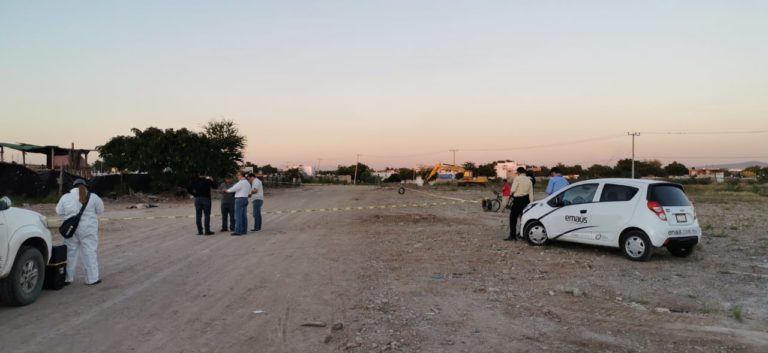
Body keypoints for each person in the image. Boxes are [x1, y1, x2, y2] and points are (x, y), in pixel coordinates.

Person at [56, 179, 104, 285]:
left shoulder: (65, 197)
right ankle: (92, 279)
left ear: (73, 186)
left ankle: (68, 278)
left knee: (70, 254)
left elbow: (59, 211)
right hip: (88, 230)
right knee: (89, 253)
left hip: (71, 230)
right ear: (85, 186)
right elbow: (100, 210)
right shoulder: (93, 197)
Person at [506, 167, 534, 241]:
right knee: (523, 218)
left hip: (518, 200)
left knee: (513, 218)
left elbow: (512, 189)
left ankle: (513, 236)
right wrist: (530, 203)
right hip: (526, 200)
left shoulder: (517, 178)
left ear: (518, 172)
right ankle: (523, 235)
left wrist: (511, 194)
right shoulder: (529, 180)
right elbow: (531, 194)